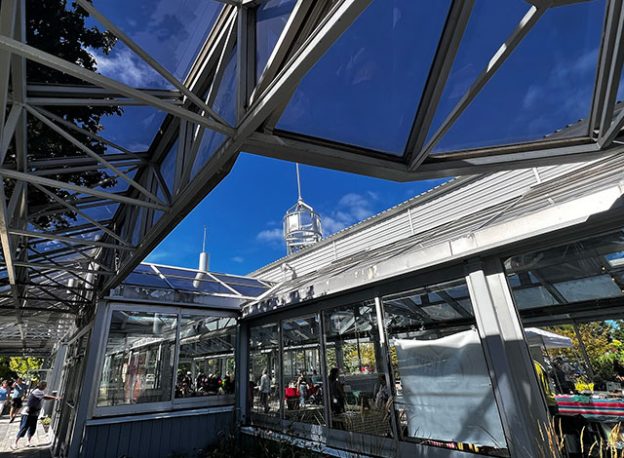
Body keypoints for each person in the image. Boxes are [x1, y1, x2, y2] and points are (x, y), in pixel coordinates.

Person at [12, 381, 60, 450]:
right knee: (24, 427)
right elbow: (45, 397)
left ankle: (28, 442)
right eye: (44, 386)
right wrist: (55, 398)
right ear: (41, 386)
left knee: (32, 428)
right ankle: (15, 443)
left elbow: (44, 397)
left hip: (34, 413)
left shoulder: (40, 391)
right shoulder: (37, 391)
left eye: (45, 386)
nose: (45, 387)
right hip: (28, 413)